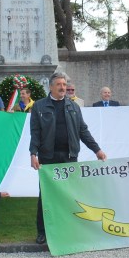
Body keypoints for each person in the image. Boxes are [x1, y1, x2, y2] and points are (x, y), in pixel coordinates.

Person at [30, 72, 107, 244]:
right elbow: (35, 133)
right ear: (50, 87)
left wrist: (97, 150)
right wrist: (33, 153)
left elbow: (83, 131)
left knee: (70, 194)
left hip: (69, 157)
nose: (63, 87)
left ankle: (70, 228)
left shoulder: (73, 107)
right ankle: (42, 232)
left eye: (64, 84)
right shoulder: (39, 106)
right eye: (59, 84)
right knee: (46, 196)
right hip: (47, 158)